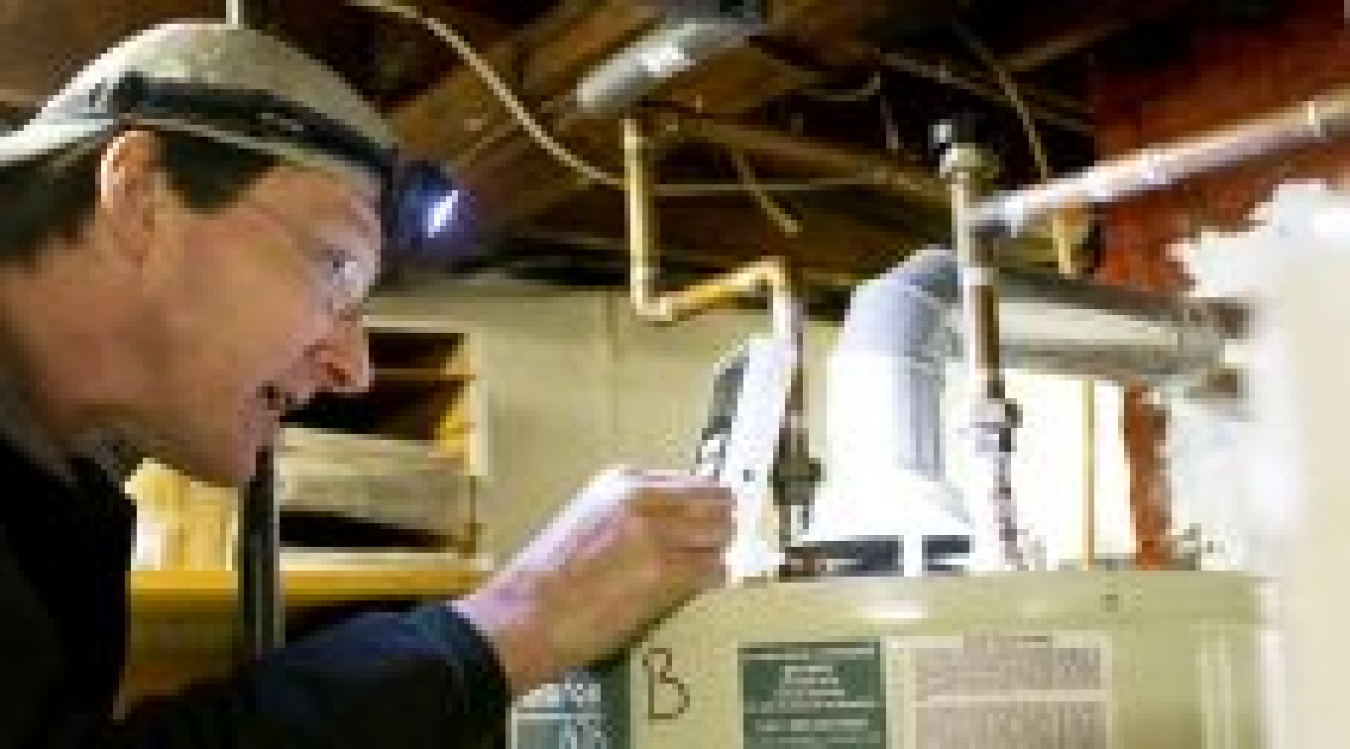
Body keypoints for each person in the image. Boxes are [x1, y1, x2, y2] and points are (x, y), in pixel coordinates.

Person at [0, 21, 733, 748]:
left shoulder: (52, 489)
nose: (356, 368)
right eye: (335, 267)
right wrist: (518, 618)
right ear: (140, 194)